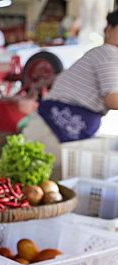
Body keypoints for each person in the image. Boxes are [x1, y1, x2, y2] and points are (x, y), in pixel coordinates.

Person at [22, 9, 118, 179]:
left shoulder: (104, 53)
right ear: (110, 29)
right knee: (42, 185)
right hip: (51, 130)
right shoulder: (109, 53)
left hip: (54, 125)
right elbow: (112, 99)